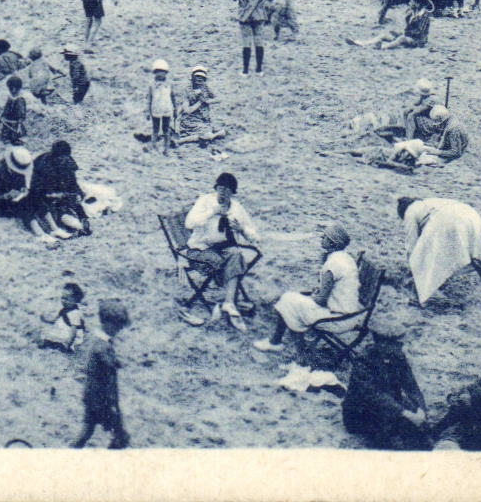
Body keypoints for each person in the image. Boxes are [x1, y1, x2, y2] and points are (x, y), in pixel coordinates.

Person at [254, 224, 362, 352]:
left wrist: (314, 295)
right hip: (350, 313)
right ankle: (282, 343)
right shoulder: (346, 258)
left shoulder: (333, 264)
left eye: (325, 237)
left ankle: (289, 348)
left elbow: (321, 299)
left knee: (288, 301)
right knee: (291, 300)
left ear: (333, 243)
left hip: (339, 319)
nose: (322, 237)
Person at [181, 172, 261, 331]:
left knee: (236, 255)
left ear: (232, 193)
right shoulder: (205, 201)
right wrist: (213, 211)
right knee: (223, 262)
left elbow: (255, 236)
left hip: (223, 248)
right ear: (216, 188)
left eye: (228, 190)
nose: (223, 192)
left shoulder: (237, 208)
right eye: (221, 188)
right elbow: (189, 224)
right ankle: (226, 300)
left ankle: (229, 303)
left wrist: (242, 229)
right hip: (200, 248)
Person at [342, 317, 431, 450]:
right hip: (362, 413)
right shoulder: (363, 362)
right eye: (398, 344)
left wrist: (421, 409)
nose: (402, 347)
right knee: (395, 443)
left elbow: (412, 387)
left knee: (424, 433)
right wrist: (405, 413)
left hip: (390, 405)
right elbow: (373, 397)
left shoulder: (398, 357)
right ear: (383, 343)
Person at [397, 196, 481, 309]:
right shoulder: (429, 202)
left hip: (446, 221)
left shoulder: (409, 212)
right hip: (470, 215)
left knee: (424, 256)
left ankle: (418, 298)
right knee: (478, 258)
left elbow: (411, 247)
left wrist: (412, 269)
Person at [69, 298, 131, 449]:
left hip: (93, 396)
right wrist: (112, 404)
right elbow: (108, 375)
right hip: (100, 399)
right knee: (119, 435)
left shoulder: (99, 341)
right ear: (108, 323)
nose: (118, 330)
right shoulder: (102, 347)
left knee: (87, 431)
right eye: (117, 326)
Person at [221, 0, 283, 74]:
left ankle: (245, 71)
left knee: (246, 40)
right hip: (259, 12)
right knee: (259, 39)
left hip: (244, 12)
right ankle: (259, 69)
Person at [347, 0, 432, 49]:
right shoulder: (411, 13)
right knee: (385, 35)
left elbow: (419, 33)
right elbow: (408, 28)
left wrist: (404, 34)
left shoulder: (424, 16)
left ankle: (383, 47)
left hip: (419, 41)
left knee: (401, 38)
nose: (410, 3)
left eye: (412, 2)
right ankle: (363, 43)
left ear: (418, 4)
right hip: (410, 36)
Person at [38, 281, 88, 352]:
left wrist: (68, 343)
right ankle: (48, 345)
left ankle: (62, 347)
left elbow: (74, 331)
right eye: (62, 298)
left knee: (57, 342)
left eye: (66, 299)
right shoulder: (64, 309)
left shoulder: (75, 313)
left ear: (75, 300)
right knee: (48, 336)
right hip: (65, 331)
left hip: (73, 337)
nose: (63, 301)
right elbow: (54, 320)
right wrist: (45, 319)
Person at [145, 59, 174, 148]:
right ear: (154, 73)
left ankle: (166, 149)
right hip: (156, 109)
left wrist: (175, 109)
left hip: (166, 109)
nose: (160, 74)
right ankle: (153, 146)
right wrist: (147, 111)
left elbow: (173, 97)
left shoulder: (169, 85)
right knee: (155, 129)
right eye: (158, 72)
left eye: (163, 72)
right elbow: (149, 99)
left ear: (166, 73)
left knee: (166, 129)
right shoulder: (152, 85)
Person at [0, 75, 28, 145]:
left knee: (15, 139)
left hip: (15, 125)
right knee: (5, 138)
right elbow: (6, 110)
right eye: (11, 88)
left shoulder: (20, 100)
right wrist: (1, 117)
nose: (13, 90)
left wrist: (19, 124)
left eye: (14, 88)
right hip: (7, 124)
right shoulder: (10, 99)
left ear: (18, 89)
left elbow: (21, 114)